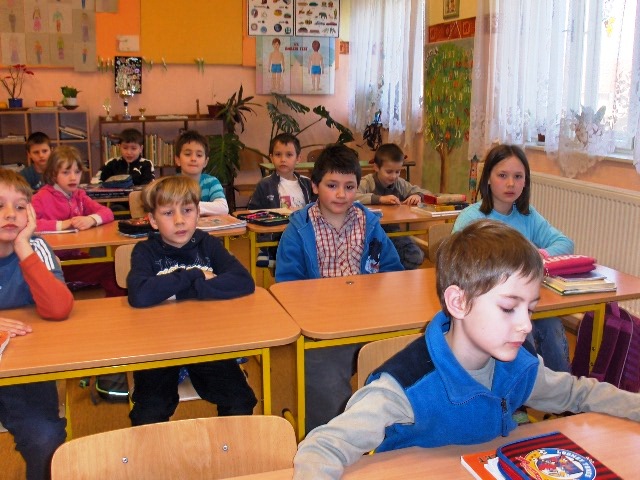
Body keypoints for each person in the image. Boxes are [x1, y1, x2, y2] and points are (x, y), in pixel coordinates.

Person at [293, 219, 640, 479]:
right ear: (458, 302)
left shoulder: (517, 366)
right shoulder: (405, 387)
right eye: (509, 308)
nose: (526, 325)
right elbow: (323, 447)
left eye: (530, 309)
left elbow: (578, 393)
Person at [276, 144, 403, 433]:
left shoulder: (369, 224)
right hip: (324, 331)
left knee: (405, 365)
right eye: (332, 185)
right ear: (315, 186)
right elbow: (288, 287)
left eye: (349, 187)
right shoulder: (299, 230)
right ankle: (331, 438)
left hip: (370, 322)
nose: (341, 194)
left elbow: (394, 272)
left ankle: (388, 437)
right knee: (324, 380)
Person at [126, 176, 257, 425]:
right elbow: (140, 294)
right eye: (168, 213)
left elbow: (243, 281)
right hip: (158, 346)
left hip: (207, 342)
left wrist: (177, 292)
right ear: (152, 220)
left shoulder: (208, 244)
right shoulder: (145, 251)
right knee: (150, 411)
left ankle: (227, 446)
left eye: (187, 210)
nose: (179, 220)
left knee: (240, 400)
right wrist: (194, 275)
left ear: (198, 212)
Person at [453, 144, 573, 374]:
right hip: (490, 306)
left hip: (526, 302)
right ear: (488, 179)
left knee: (552, 328)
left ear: (526, 181)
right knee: (524, 338)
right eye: (502, 175)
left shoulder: (527, 215)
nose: (511, 183)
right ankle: (518, 389)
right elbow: (457, 262)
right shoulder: (472, 217)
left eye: (518, 177)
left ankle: (559, 389)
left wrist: (540, 256)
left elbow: (565, 243)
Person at [0, 169, 73, 480]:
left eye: (19, 206)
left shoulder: (35, 247)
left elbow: (59, 308)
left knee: (45, 437)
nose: (10, 214)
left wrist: (23, 248)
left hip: (25, 369)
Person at [32, 145, 125, 297]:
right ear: (53, 174)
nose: (73, 178)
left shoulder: (79, 195)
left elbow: (107, 213)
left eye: (77, 172)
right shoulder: (40, 198)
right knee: (108, 269)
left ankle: (116, 308)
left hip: (74, 258)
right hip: (49, 262)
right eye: (66, 172)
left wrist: (91, 219)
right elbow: (29, 224)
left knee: (113, 269)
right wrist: (61, 224)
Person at [356, 143, 432, 269]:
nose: (394, 176)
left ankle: (394, 272)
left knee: (416, 256)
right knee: (370, 263)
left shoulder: (399, 183)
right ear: (376, 167)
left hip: (393, 233)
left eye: (398, 172)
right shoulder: (367, 182)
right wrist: (380, 199)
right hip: (369, 234)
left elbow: (426, 193)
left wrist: (418, 195)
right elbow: (353, 196)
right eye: (389, 172)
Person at [247, 133, 316, 268]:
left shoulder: (307, 183)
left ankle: (282, 259)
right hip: (276, 232)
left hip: (302, 231)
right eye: (278, 155)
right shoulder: (265, 184)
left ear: (298, 158)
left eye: (289, 155)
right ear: (271, 157)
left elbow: (316, 207)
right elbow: (253, 211)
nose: (283, 159)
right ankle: (270, 252)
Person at [174, 129, 228, 215]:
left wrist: (188, 207)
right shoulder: (170, 184)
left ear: (206, 162)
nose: (193, 159)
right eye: (187, 154)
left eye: (199, 155)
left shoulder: (211, 182)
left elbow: (223, 208)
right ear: (177, 160)